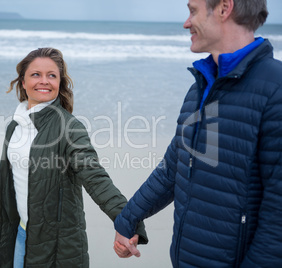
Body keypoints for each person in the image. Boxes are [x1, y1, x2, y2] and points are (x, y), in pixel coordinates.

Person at [113, 0, 282, 266]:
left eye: (193, 11)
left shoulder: (275, 89)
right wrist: (128, 219)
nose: (186, 22)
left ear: (225, 8)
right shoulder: (201, 87)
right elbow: (173, 167)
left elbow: (278, 216)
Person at [0, 47, 147, 268]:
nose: (44, 81)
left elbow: (96, 177)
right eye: (36, 74)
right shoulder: (15, 126)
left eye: (52, 75)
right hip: (20, 234)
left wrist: (127, 222)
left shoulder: (69, 127)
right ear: (23, 82)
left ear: (59, 83)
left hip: (56, 244)